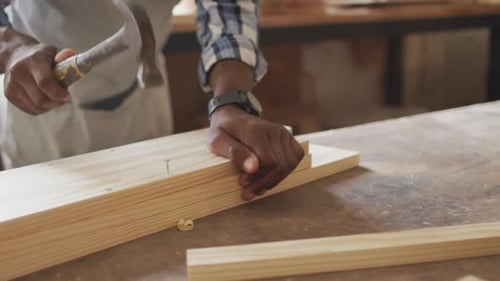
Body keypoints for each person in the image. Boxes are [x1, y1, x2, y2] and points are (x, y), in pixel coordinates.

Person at [0, 0, 304, 200]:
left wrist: (232, 101)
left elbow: (226, 7)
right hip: (35, 103)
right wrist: (12, 48)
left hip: (141, 97)